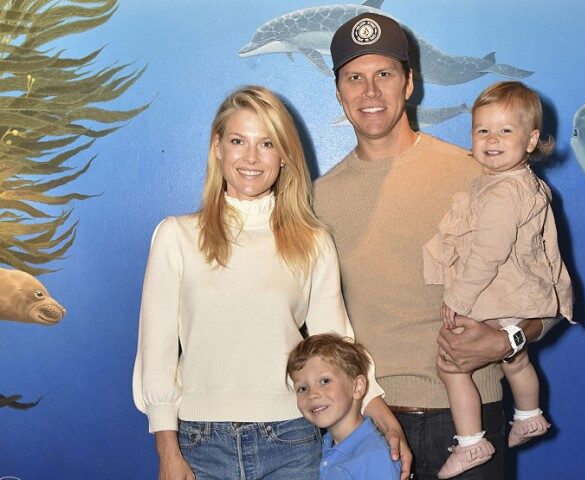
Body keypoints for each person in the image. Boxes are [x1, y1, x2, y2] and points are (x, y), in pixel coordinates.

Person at [313, 13, 563, 479]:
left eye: (384, 74)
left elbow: (547, 292)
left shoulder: (483, 175)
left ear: (409, 83)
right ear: (339, 91)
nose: (370, 92)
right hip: (369, 427)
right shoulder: (318, 198)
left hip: (474, 426)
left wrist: (506, 340)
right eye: (355, 77)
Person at [132, 85, 408, 480]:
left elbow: (336, 340)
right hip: (199, 442)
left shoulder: (313, 240)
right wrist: (167, 450)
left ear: (283, 156)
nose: (250, 157)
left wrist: (377, 407)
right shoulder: (176, 235)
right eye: (238, 141)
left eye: (266, 143)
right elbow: (155, 349)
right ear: (218, 147)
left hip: (292, 439)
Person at [422, 81, 574, 478]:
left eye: (505, 130)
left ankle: (471, 442)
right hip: (521, 299)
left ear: (531, 140)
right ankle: (529, 416)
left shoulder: (502, 192)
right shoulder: (517, 182)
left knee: (451, 366)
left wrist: (457, 298)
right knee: (515, 358)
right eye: (482, 130)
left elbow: (487, 253)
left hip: (502, 297)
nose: (491, 139)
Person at [287, 333, 402, 479]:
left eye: (325, 381)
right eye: (302, 388)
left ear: (357, 387)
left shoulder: (373, 456)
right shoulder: (327, 444)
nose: (312, 394)